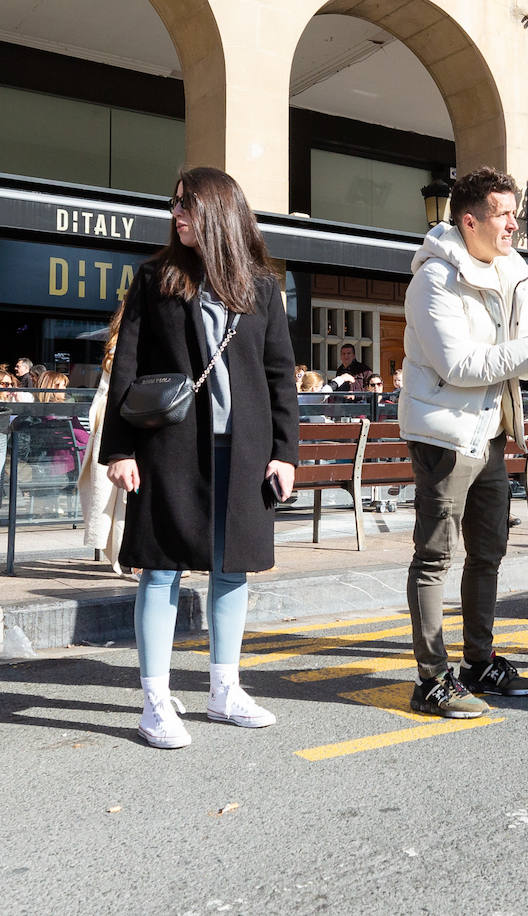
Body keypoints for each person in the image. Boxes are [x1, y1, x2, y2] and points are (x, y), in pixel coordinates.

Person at [101, 166, 299, 750]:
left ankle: (223, 690)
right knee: (161, 569)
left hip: (244, 454)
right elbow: (127, 369)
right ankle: (156, 700)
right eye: (175, 205)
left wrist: (286, 452)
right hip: (169, 450)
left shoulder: (260, 285)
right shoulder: (155, 278)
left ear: (220, 212)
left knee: (232, 568)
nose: (177, 214)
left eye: (188, 205)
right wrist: (118, 449)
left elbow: (278, 374)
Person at [399, 166, 528, 717]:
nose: (515, 224)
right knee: (434, 556)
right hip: (445, 433)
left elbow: (518, 356)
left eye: (514, 214)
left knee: (488, 552)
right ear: (470, 220)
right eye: (504, 214)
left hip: (493, 429)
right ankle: (431, 678)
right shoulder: (434, 279)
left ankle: (478, 662)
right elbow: (457, 364)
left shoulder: (510, 272)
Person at [78, 306, 134, 577]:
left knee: (124, 495)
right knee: (130, 495)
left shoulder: (118, 343)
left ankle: (129, 555)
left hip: (114, 424)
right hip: (132, 426)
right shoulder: (132, 342)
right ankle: (134, 557)